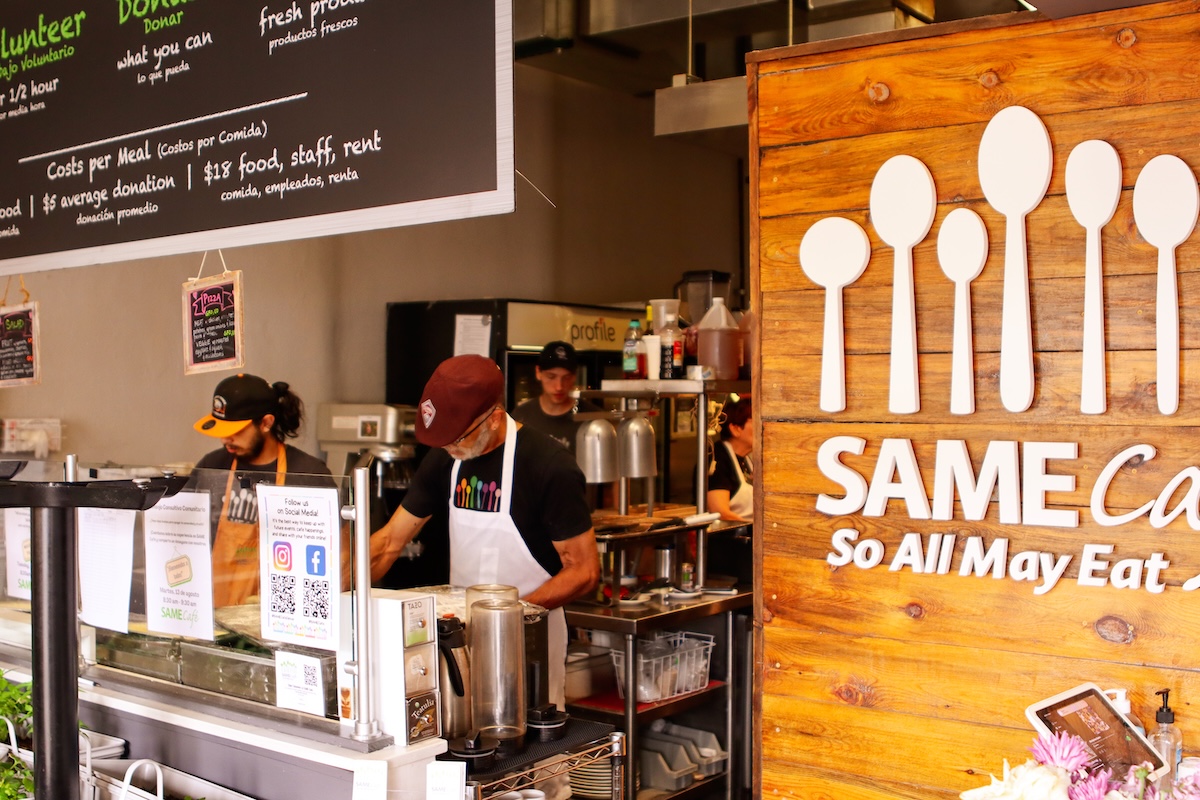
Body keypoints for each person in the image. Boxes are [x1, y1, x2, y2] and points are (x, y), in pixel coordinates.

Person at [370, 355, 600, 708]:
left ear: (493, 419)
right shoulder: (447, 457)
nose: (449, 449)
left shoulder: (548, 466)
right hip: (458, 641)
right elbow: (388, 543)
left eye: (457, 439)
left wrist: (503, 620)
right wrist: (337, 595)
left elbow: (583, 571)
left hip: (527, 641)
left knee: (525, 750)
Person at [192, 373, 331, 607]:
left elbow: (335, 555)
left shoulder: (308, 473)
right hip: (216, 613)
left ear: (266, 423)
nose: (226, 439)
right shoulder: (212, 467)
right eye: (222, 430)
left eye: (236, 430)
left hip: (281, 614)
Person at [511, 341, 603, 454]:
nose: (559, 387)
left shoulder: (593, 419)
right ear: (538, 373)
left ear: (574, 376)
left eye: (566, 377)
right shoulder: (521, 416)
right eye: (551, 377)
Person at [707, 395, 753, 523]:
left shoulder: (747, 459)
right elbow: (720, 512)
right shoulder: (718, 458)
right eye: (756, 421)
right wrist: (754, 527)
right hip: (728, 539)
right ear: (735, 429)